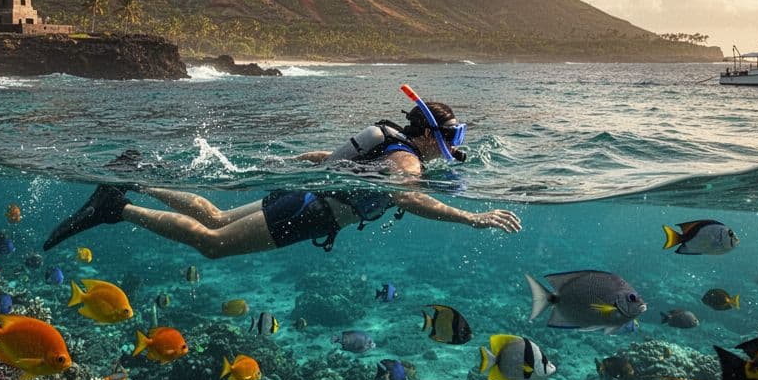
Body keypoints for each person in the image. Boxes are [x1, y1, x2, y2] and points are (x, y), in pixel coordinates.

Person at [44, 100, 521, 258]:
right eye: (449, 137)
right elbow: (413, 200)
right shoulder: (408, 163)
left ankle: (134, 179)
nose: (452, 147)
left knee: (214, 214)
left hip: (304, 195)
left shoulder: (389, 145)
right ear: (430, 134)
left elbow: (328, 158)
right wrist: (471, 218)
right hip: (311, 211)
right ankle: (117, 207)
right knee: (213, 244)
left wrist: (290, 164)